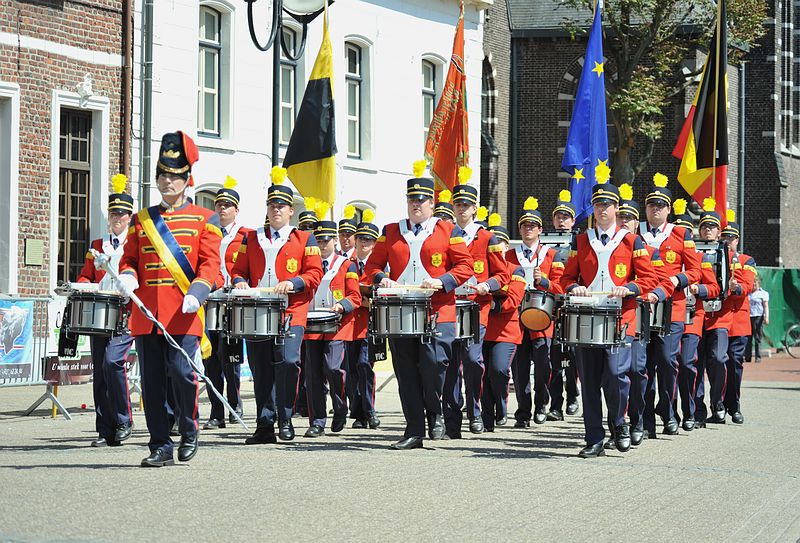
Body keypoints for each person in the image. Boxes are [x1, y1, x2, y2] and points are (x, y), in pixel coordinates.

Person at [117, 131, 222, 467]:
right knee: (151, 382)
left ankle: (189, 430)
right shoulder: (141, 220)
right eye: (163, 176)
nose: (168, 182)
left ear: (187, 180)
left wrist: (198, 291)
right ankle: (159, 444)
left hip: (183, 312)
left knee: (181, 373)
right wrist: (129, 275)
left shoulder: (205, 219)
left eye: (174, 176)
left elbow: (211, 264)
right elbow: (129, 258)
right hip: (147, 314)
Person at [363, 168, 473, 450]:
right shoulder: (390, 231)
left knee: (435, 365)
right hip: (401, 311)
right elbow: (372, 267)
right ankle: (414, 429)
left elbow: (465, 267)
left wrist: (441, 281)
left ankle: (435, 411)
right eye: (412, 199)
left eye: (422, 200)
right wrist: (381, 278)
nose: (416, 204)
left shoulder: (450, 230)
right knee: (406, 372)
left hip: (439, 311)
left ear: (432, 204)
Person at [559, 181, 659, 458]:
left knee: (616, 374)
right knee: (589, 381)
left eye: (608, 205)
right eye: (598, 204)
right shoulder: (581, 239)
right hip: (587, 317)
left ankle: (619, 423)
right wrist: (572, 287)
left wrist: (630, 288)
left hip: (621, 317)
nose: (602, 209)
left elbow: (648, 278)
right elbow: (566, 277)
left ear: (617, 208)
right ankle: (594, 438)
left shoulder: (631, 240)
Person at [231, 166, 323, 444]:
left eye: (282, 206)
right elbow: (239, 270)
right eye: (272, 205)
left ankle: (285, 418)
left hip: (291, 310)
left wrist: (294, 283)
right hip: (259, 309)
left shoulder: (305, 238)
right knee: (261, 367)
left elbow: (314, 273)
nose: (277, 210)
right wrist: (239, 282)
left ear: (291, 210)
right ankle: (265, 423)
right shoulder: (252, 237)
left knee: (289, 362)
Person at [442, 172, 509, 438]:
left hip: (475, 307)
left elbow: (502, 275)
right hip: (447, 305)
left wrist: (487, 286)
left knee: (471, 361)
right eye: (458, 205)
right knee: (447, 362)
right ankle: (451, 420)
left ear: (475, 208)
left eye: (466, 205)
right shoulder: (444, 234)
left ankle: (476, 411)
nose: (462, 209)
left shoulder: (487, 238)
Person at [637, 174, 702, 435]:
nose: (656, 209)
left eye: (661, 206)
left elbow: (696, 270)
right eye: (652, 205)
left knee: (666, 360)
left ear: (669, 209)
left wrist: (678, 278)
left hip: (671, 307)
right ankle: (645, 419)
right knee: (642, 365)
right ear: (646, 208)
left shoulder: (680, 233)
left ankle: (668, 409)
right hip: (641, 307)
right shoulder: (634, 233)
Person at [78, 173, 135, 447]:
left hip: (126, 314)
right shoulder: (97, 246)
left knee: (113, 363)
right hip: (99, 312)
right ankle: (105, 429)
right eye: (113, 213)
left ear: (129, 217)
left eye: (121, 214)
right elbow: (85, 276)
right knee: (100, 372)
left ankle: (124, 420)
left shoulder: (135, 244)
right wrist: (82, 287)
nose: (116, 218)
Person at [615, 185, 673, 447]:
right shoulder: (601, 246)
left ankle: (638, 420)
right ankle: (620, 424)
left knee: (639, 370)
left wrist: (652, 294)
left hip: (638, 315)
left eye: (629, 219)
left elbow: (660, 281)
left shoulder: (649, 251)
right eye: (621, 218)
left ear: (636, 224)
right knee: (615, 373)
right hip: (610, 317)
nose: (625, 223)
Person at [506, 197, 565, 427]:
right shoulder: (510, 255)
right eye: (524, 225)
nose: (528, 229)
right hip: (516, 316)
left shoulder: (552, 255)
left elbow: (561, 288)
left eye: (532, 225)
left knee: (543, 364)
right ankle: (522, 412)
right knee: (519, 368)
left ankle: (541, 404)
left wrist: (547, 282)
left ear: (540, 229)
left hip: (542, 316)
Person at [303, 220, 362, 437]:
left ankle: (340, 407)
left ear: (334, 240)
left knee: (333, 367)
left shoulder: (346, 265)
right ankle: (317, 421)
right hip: (312, 324)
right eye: (318, 240)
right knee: (313, 374)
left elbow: (355, 296)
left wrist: (341, 305)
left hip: (336, 324)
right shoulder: (308, 264)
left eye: (325, 240)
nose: (321, 244)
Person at [202, 177, 250, 430]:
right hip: (210, 300)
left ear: (236, 210)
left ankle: (234, 402)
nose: (222, 209)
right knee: (211, 357)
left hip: (233, 301)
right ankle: (216, 410)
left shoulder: (246, 236)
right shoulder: (208, 233)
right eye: (219, 204)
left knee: (230, 355)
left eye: (227, 205)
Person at [481, 215, 525, 431]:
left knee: (498, 370)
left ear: (506, 246)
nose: (495, 246)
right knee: (482, 374)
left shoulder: (515, 269)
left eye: (499, 242)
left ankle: (501, 404)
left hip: (506, 331)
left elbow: (513, 300)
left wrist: (488, 305)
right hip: (481, 328)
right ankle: (486, 419)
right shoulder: (481, 268)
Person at [694, 199, 733, 426]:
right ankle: (697, 410)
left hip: (719, 315)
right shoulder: (693, 250)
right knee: (694, 363)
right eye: (704, 226)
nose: (708, 230)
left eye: (712, 227)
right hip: (698, 312)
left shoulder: (725, 253)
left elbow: (727, 281)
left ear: (719, 232)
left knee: (718, 359)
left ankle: (717, 402)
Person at [546, 190, 580, 420]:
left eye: (566, 217)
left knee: (574, 356)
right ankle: (555, 405)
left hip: (573, 304)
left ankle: (573, 396)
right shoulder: (544, 240)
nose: (561, 220)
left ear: (573, 220)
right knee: (554, 356)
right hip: (551, 304)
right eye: (558, 216)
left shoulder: (580, 241)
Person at [721, 211, 756, 424]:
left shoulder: (746, 259)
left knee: (734, 363)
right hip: (719, 318)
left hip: (739, 320)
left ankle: (733, 405)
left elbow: (749, 285)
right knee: (715, 364)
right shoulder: (715, 257)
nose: (728, 241)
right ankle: (716, 405)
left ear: (737, 240)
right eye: (725, 237)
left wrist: (737, 287)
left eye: (731, 238)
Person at [348, 210, 382, 429]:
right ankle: (358, 413)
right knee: (351, 370)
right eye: (361, 239)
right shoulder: (346, 262)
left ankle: (370, 411)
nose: (364, 244)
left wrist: (361, 300)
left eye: (369, 240)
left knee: (364, 366)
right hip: (349, 324)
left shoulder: (379, 268)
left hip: (370, 324)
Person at [746, 277, 769, 363]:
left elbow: (766, 306)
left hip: (758, 317)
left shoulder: (763, 294)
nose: (754, 285)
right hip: (749, 317)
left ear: (759, 284)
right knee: (748, 338)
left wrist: (766, 317)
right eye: (753, 284)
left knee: (758, 337)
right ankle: (747, 357)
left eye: (756, 284)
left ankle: (758, 357)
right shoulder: (748, 294)